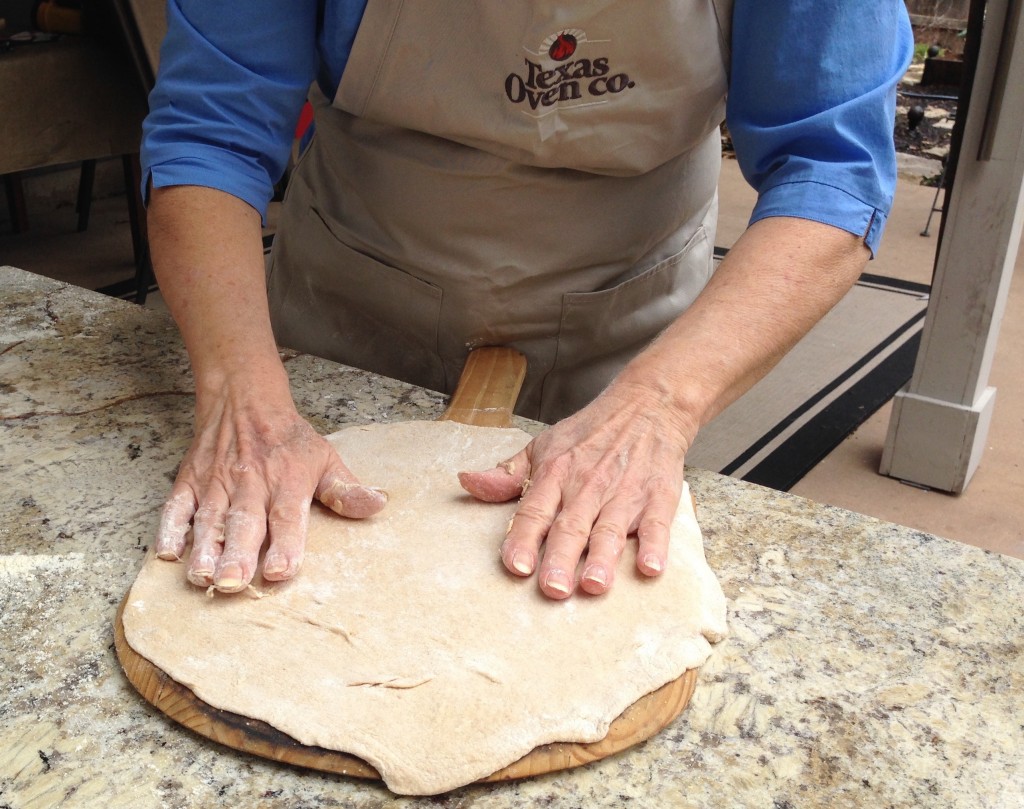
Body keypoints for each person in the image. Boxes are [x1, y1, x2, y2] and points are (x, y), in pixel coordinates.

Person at [143, 1, 913, 600]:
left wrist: (659, 404)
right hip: (353, 290)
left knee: (577, 596)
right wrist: (242, 397)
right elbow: (212, 131)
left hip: (629, 320)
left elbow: (832, 167)